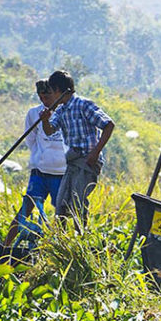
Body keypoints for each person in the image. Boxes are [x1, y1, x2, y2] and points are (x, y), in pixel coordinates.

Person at [38, 70, 114, 221]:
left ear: (58, 90)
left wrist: (95, 153)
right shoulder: (61, 110)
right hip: (72, 160)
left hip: (87, 161)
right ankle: (62, 239)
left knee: (77, 203)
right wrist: (45, 120)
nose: (51, 97)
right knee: (61, 204)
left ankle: (82, 236)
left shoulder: (83, 105)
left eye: (52, 92)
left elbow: (109, 125)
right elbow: (50, 131)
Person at [6, 79, 67, 245]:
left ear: (56, 94)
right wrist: (40, 158)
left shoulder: (65, 112)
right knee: (26, 209)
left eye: (48, 97)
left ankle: (61, 250)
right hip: (39, 172)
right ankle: (4, 247)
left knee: (61, 215)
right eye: (41, 98)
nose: (45, 101)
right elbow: (31, 140)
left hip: (61, 174)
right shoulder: (34, 114)